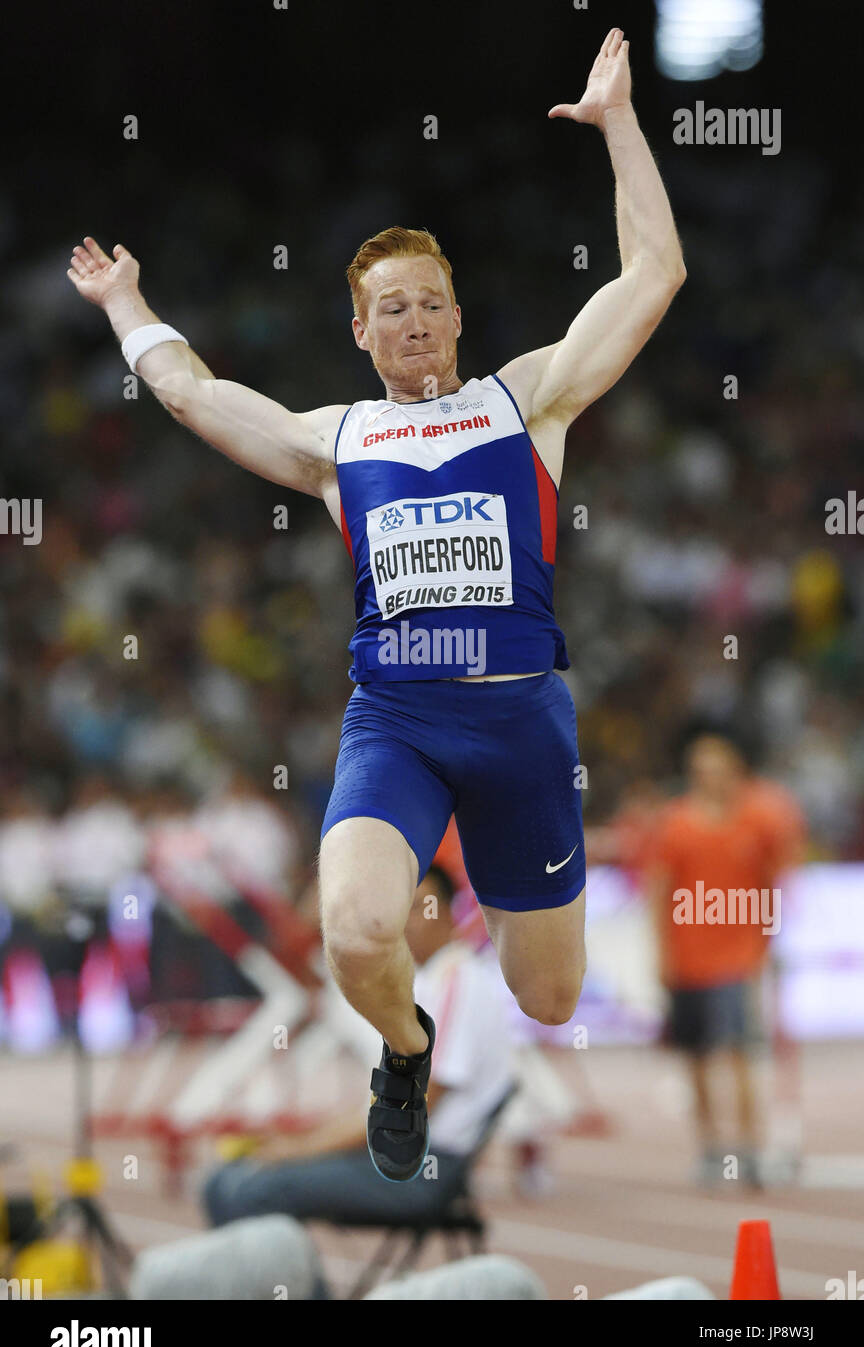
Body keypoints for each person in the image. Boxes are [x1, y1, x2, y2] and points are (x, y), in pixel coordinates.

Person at [67, 28, 686, 1180]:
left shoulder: (529, 401)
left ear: (457, 318)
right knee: (354, 929)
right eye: (389, 306)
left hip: (521, 723)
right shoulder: (336, 443)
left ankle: (473, 994)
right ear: (358, 331)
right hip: (394, 721)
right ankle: (406, 1050)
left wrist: (620, 126)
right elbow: (196, 395)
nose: (411, 319)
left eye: (429, 302)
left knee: (548, 997)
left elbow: (652, 277)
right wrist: (126, 307)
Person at [201, 864, 514, 1226]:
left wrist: (302, 1149)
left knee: (247, 1186)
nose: (407, 923)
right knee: (224, 1180)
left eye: (418, 909)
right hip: (404, 1155)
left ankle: (292, 1283)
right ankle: (277, 1278)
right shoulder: (431, 981)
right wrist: (305, 1142)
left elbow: (418, 1105)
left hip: (423, 1167)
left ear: (448, 912)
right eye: (400, 911)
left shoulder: (455, 981)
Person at [647, 733, 807, 1186]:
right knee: (696, 1057)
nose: (710, 779)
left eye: (717, 769)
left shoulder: (758, 819)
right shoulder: (675, 824)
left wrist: (769, 944)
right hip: (687, 957)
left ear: (735, 772)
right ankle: (711, 1147)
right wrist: (659, 954)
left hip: (738, 958)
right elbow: (658, 891)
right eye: (701, 771)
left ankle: (751, 1149)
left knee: (738, 1053)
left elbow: (780, 878)